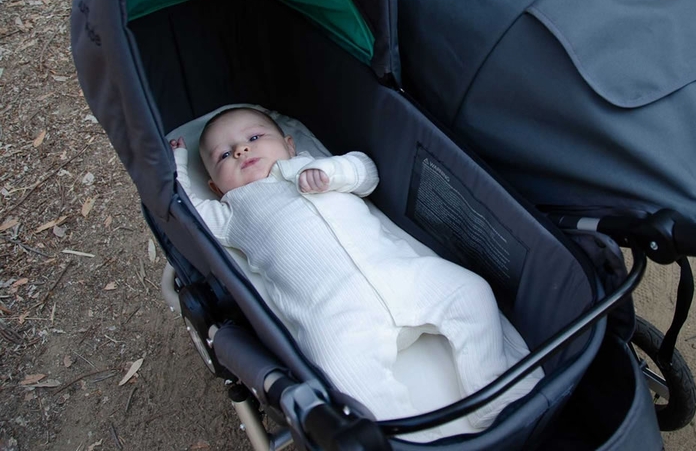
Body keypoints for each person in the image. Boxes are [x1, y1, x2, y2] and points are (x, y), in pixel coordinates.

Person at [170, 107, 539, 432]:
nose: (241, 150)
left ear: (289, 145)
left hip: (400, 274)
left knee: (471, 293)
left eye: (253, 137)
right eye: (224, 155)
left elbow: (367, 172)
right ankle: (406, 441)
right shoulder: (232, 213)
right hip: (336, 313)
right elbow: (189, 212)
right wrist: (175, 166)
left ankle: (493, 393)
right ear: (216, 188)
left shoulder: (314, 166)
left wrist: (334, 172)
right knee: (344, 377)